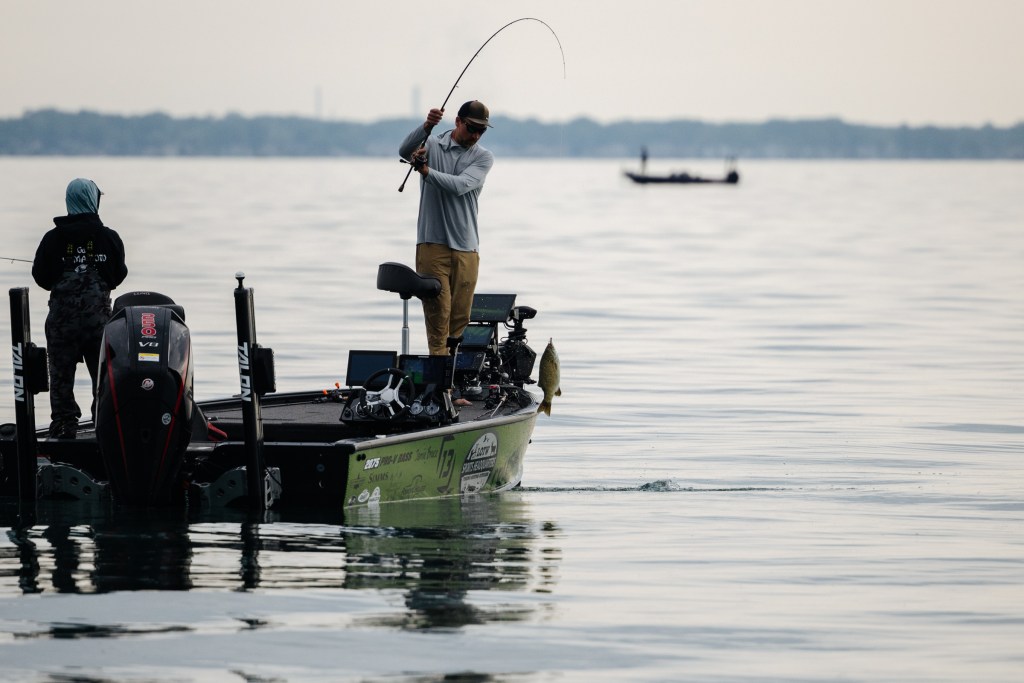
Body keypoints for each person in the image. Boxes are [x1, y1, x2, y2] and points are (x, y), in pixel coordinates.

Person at [32, 178, 128, 438]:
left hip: (62, 324)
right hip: (99, 324)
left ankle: (64, 424)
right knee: (104, 376)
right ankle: (104, 424)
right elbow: (118, 275)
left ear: (69, 201)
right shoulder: (109, 238)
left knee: (60, 377)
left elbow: (41, 277)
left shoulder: (52, 239)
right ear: (93, 201)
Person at [399, 100, 494, 360]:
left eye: (481, 131)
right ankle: (440, 376)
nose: (476, 135)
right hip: (432, 245)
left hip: (467, 248)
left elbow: (460, 185)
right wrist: (426, 126)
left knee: (459, 319)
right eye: (471, 128)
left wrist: (426, 171)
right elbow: (405, 151)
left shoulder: (483, 157)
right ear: (458, 121)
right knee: (438, 315)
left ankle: (451, 376)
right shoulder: (431, 144)